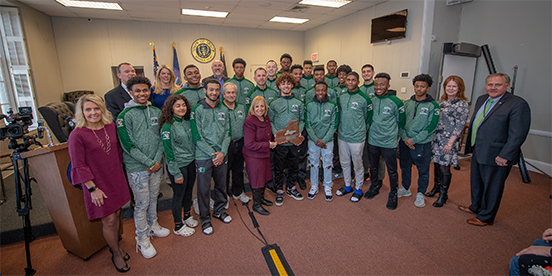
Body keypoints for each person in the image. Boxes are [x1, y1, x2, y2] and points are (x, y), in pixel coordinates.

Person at [68, 94, 131, 273]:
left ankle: (116, 244)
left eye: (96, 108)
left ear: (102, 109)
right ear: (82, 112)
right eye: (88, 109)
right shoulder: (77, 135)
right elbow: (78, 165)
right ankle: (116, 252)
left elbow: (117, 152)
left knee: (117, 213)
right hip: (96, 182)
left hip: (115, 176)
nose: (93, 112)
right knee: (109, 219)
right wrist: (92, 189)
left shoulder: (110, 127)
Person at [458, 73, 531, 226]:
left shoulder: (517, 104)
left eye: (498, 84)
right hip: (479, 149)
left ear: (507, 86)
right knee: (477, 181)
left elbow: (518, 134)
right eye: (490, 84)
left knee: (492, 186)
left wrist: (505, 155)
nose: (493, 87)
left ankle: (486, 217)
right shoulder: (482, 99)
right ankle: (476, 207)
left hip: (497, 154)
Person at [117, 75, 168, 259]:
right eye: (137, 91)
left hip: (156, 164)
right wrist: (149, 162)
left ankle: (153, 225)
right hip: (137, 167)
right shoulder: (124, 116)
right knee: (141, 203)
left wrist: (156, 161)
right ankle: (142, 237)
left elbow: (162, 137)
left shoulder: (156, 112)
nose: (142, 93)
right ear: (130, 93)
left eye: (145, 90)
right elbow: (127, 145)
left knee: (154, 197)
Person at [190, 78, 232, 235]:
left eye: (216, 90)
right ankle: (205, 220)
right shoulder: (197, 109)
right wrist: (213, 154)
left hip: (222, 154)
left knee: (222, 185)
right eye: (211, 90)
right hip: (204, 156)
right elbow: (197, 136)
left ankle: (220, 211)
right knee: (203, 190)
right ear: (205, 91)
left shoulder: (224, 109)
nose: (214, 92)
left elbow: (228, 133)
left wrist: (222, 152)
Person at [363, 73, 405, 210]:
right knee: (373, 166)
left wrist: (394, 136)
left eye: (382, 84)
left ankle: (393, 193)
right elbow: (368, 119)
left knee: (392, 170)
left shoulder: (396, 102)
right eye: (376, 84)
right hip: (373, 140)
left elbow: (401, 123)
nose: (378, 87)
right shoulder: (372, 100)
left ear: (388, 85)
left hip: (389, 142)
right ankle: (374, 186)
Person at [398, 74, 440, 208]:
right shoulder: (407, 103)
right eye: (417, 86)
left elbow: (431, 126)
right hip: (405, 142)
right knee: (405, 166)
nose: (419, 89)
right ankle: (405, 188)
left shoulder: (433, 106)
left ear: (427, 88)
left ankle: (421, 193)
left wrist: (414, 140)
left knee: (423, 170)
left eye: (422, 86)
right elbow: (402, 122)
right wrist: (405, 138)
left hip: (422, 144)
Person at [159, 94, 198, 237]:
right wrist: (176, 173)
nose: (182, 108)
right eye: (178, 106)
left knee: (188, 192)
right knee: (178, 195)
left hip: (191, 162)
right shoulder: (167, 127)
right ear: (171, 108)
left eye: (183, 105)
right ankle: (178, 225)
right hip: (178, 166)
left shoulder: (187, 122)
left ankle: (187, 215)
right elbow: (168, 153)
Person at [427, 75, 469, 207]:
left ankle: (443, 195)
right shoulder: (441, 102)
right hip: (437, 138)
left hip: (449, 140)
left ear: (459, 88)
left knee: (445, 167)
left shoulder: (462, 104)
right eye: (448, 86)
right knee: (436, 164)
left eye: (454, 86)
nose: (450, 88)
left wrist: (450, 143)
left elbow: (460, 126)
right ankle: (436, 188)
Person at [335, 72, 373, 202]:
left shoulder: (364, 98)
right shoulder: (342, 97)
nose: (350, 82)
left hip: (357, 137)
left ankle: (358, 188)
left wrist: (361, 131)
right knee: (344, 162)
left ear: (358, 82)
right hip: (342, 136)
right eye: (348, 80)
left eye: (353, 80)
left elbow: (368, 118)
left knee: (358, 164)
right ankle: (347, 185)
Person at [268, 72, 304, 206]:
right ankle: (279, 190)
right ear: (278, 86)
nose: (286, 86)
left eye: (289, 83)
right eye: (283, 84)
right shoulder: (273, 103)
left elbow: (302, 120)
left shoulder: (299, 103)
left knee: (294, 166)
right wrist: (276, 134)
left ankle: (291, 188)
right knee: (279, 168)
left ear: (293, 85)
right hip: (281, 142)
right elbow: (270, 121)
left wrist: (297, 132)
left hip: (294, 141)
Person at [243, 96, 277, 215]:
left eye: (262, 106)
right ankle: (256, 205)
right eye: (257, 106)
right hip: (254, 156)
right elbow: (249, 144)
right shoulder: (249, 121)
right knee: (257, 179)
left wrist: (276, 139)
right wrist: (268, 145)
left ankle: (261, 198)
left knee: (264, 177)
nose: (260, 108)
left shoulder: (265, 118)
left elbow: (269, 135)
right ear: (253, 108)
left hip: (264, 154)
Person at [305, 81, 338, 201]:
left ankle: (327, 185)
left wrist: (324, 140)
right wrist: (315, 139)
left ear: (326, 91)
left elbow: (334, 125)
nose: (320, 92)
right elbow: (307, 124)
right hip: (313, 140)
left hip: (327, 140)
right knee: (313, 163)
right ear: (314, 91)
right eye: (318, 90)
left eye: (323, 90)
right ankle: (314, 185)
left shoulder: (333, 105)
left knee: (327, 163)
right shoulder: (308, 105)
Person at [221, 82, 250, 204]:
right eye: (228, 92)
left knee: (238, 169)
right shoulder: (219, 108)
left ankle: (238, 192)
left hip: (240, 142)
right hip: (226, 145)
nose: (231, 95)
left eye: (233, 92)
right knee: (225, 172)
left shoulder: (241, 107)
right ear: (223, 94)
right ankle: (225, 195)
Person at [290, 64, 308, 190]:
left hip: (301, 127)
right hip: (288, 129)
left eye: (299, 74)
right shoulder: (285, 89)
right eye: (295, 73)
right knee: (289, 154)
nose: (297, 76)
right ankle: (290, 176)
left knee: (302, 154)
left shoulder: (305, 90)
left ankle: (301, 177)